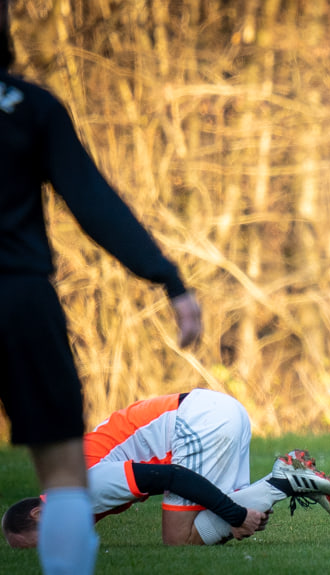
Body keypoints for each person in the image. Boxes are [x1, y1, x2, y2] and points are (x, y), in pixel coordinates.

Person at [0, 2, 201, 571]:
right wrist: (169, 279)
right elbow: (94, 204)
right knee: (63, 474)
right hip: (19, 299)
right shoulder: (31, 107)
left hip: (22, 296)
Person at [2, 388, 330, 548]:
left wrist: (235, 514)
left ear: (37, 514)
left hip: (199, 422)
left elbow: (170, 476)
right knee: (218, 519)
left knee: (179, 540)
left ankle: (284, 482)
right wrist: (235, 514)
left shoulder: (76, 492)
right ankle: (285, 478)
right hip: (218, 411)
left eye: (39, 544)